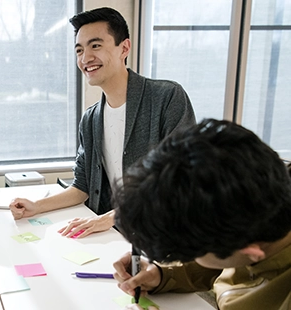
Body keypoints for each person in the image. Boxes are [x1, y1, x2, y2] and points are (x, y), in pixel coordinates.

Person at [9, 7, 196, 238]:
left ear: (124, 48)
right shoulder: (90, 119)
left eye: (95, 46)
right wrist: (37, 206)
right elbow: (82, 186)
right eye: (79, 50)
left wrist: (109, 217)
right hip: (113, 236)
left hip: (161, 235)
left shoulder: (167, 98)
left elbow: (179, 181)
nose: (85, 58)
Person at [112, 119, 291, 310]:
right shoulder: (252, 209)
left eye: (195, 253)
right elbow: (222, 261)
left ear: (251, 250)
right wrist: (163, 274)